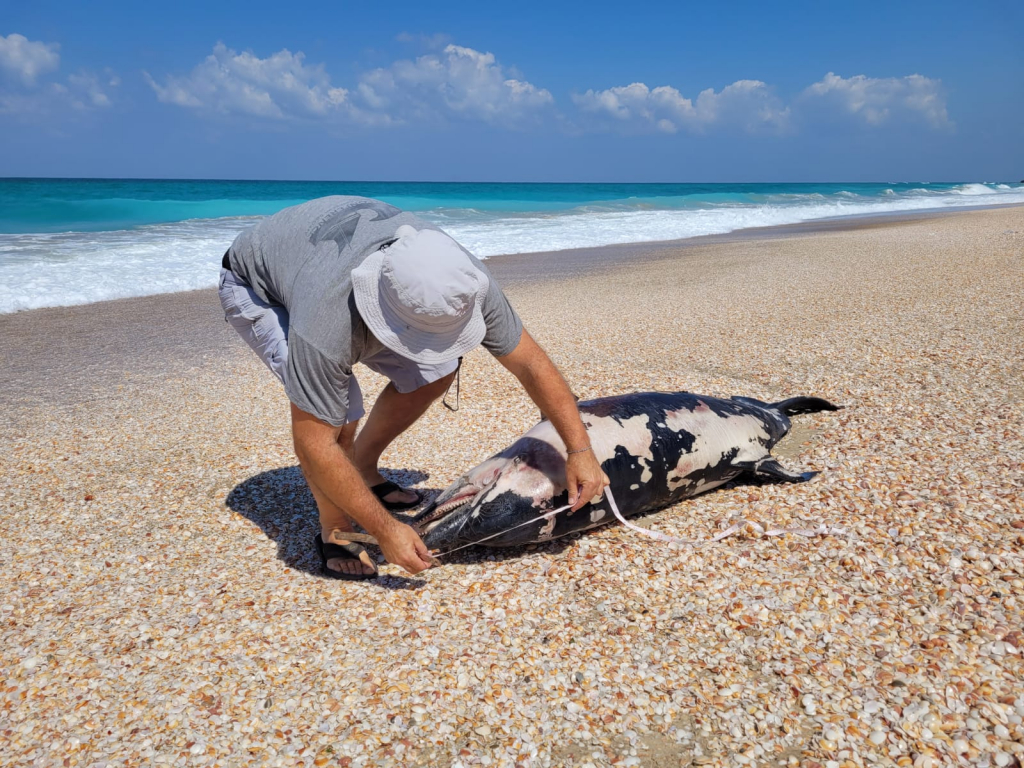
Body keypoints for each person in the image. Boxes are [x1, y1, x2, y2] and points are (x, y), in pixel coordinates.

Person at [219, 196, 609, 580]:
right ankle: (334, 528)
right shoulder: (325, 321)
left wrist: (580, 449)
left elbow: (531, 364)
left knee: (435, 369)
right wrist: (385, 530)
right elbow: (314, 444)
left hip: (321, 257)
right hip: (259, 285)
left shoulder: (463, 279)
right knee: (340, 420)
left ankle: (363, 470)